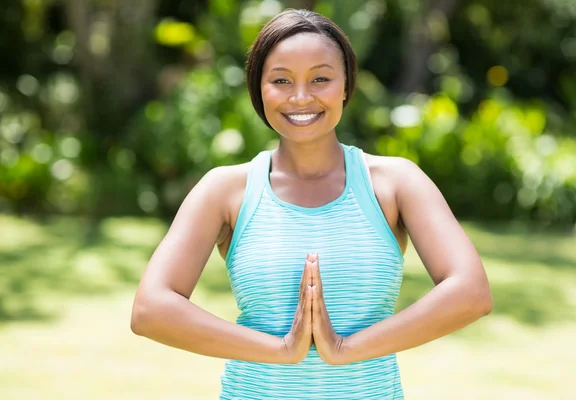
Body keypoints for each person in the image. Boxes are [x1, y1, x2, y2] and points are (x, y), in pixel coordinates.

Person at [131, 9, 492, 400]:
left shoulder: (393, 183)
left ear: (345, 86)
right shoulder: (226, 190)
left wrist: (345, 349)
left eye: (320, 78)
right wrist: (282, 350)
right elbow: (150, 309)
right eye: (281, 80)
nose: (301, 97)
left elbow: (470, 292)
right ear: (259, 89)